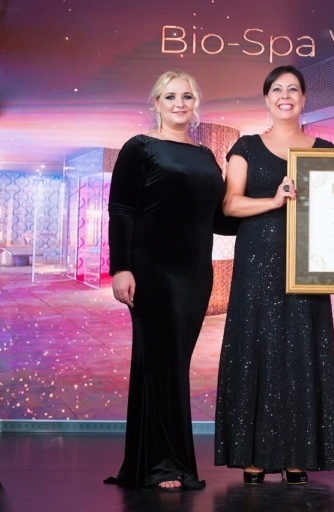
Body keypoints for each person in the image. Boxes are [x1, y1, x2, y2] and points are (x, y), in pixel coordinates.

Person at [214, 65, 334, 485]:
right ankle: (253, 455)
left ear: (305, 98)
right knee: (256, 347)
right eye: (277, 89)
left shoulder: (324, 147)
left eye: (293, 89)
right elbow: (231, 205)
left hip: (310, 265)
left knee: (301, 353)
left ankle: (297, 453)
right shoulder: (247, 146)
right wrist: (274, 201)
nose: (285, 95)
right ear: (266, 98)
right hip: (257, 262)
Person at [105, 70, 225, 490]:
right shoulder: (139, 148)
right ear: (155, 102)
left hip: (195, 273)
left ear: (196, 103)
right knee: (162, 364)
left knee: (170, 364)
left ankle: (149, 461)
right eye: (170, 96)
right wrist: (121, 267)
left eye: (187, 96)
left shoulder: (207, 155)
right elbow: (120, 210)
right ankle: (162, 463)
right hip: (152, 269)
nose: (179, 103)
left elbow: (221, 219)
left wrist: (276, 203)